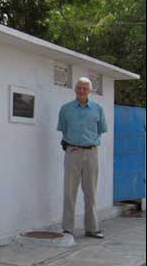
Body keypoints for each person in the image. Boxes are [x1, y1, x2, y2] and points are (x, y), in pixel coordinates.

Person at [57, 77, 108, 239]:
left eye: (85, 88)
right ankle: (67, 229)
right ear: (75, 89)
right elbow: (63, 130)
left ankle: (92, 228)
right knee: (69, 191)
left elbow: (100, 130)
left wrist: (89, 143)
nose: (81, 91)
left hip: (92, 153)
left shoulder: (98, 109)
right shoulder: (65, 109)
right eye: (79, 87)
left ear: (90, 91)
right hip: (72, 152)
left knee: (91, 192)